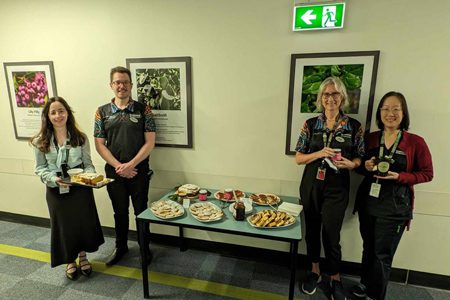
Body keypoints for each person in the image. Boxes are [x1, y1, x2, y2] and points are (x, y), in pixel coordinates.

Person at [352, 92, 433, 300]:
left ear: (403, 112)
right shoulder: (370, 138)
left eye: (396, 109)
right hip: (368, 203)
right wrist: (366, 166)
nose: (390, 113)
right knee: (368, 248)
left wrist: (400, 176)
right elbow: (359, 166)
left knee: (382, 255)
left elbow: (427, 173)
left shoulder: (415, 142)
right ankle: (364, 284)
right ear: (380, 112)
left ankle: (375, 295)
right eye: (386, 109)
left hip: (395, 207)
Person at [295, 77, 364, 300]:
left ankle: (335, 276)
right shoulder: (310, 124)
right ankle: (314, 271)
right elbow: (298, 158)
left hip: (337, 187)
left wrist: (352, 164)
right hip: (311, 184)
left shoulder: (354, 126)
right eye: (326, 94)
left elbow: (360, 158)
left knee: (331, 234)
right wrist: (319, 153)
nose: (330, 98)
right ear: (320, 99)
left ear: (342, 97)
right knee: (312, 229)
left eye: (335, 94)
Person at [31, 96, 104, 280]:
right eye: (53, 112)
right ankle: (70, 261)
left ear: (68, 113)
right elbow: (40, 168)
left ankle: (82, 256)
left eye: (61, 111)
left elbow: (88, 164)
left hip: (79, 188)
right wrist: (54, 179)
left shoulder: (80, 137)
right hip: (56, 189)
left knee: (81, 224)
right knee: (64, 226)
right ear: (47, 116)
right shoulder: (40, 141)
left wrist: (90, 177)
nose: (58, 115)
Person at [94, 66, 156, 265]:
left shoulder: (143, 109)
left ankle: (144, 249)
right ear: (111, 85)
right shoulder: (101, 112)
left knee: (141, 211)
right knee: (119, 212)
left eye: (125, 82)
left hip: (139, 170)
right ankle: (121, 247)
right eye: (117, 82)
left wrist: (131, 164)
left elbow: (150, 142)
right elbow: (99, 144)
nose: (121, 86)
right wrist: (119, 166)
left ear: (131, 85)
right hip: (114, 172)